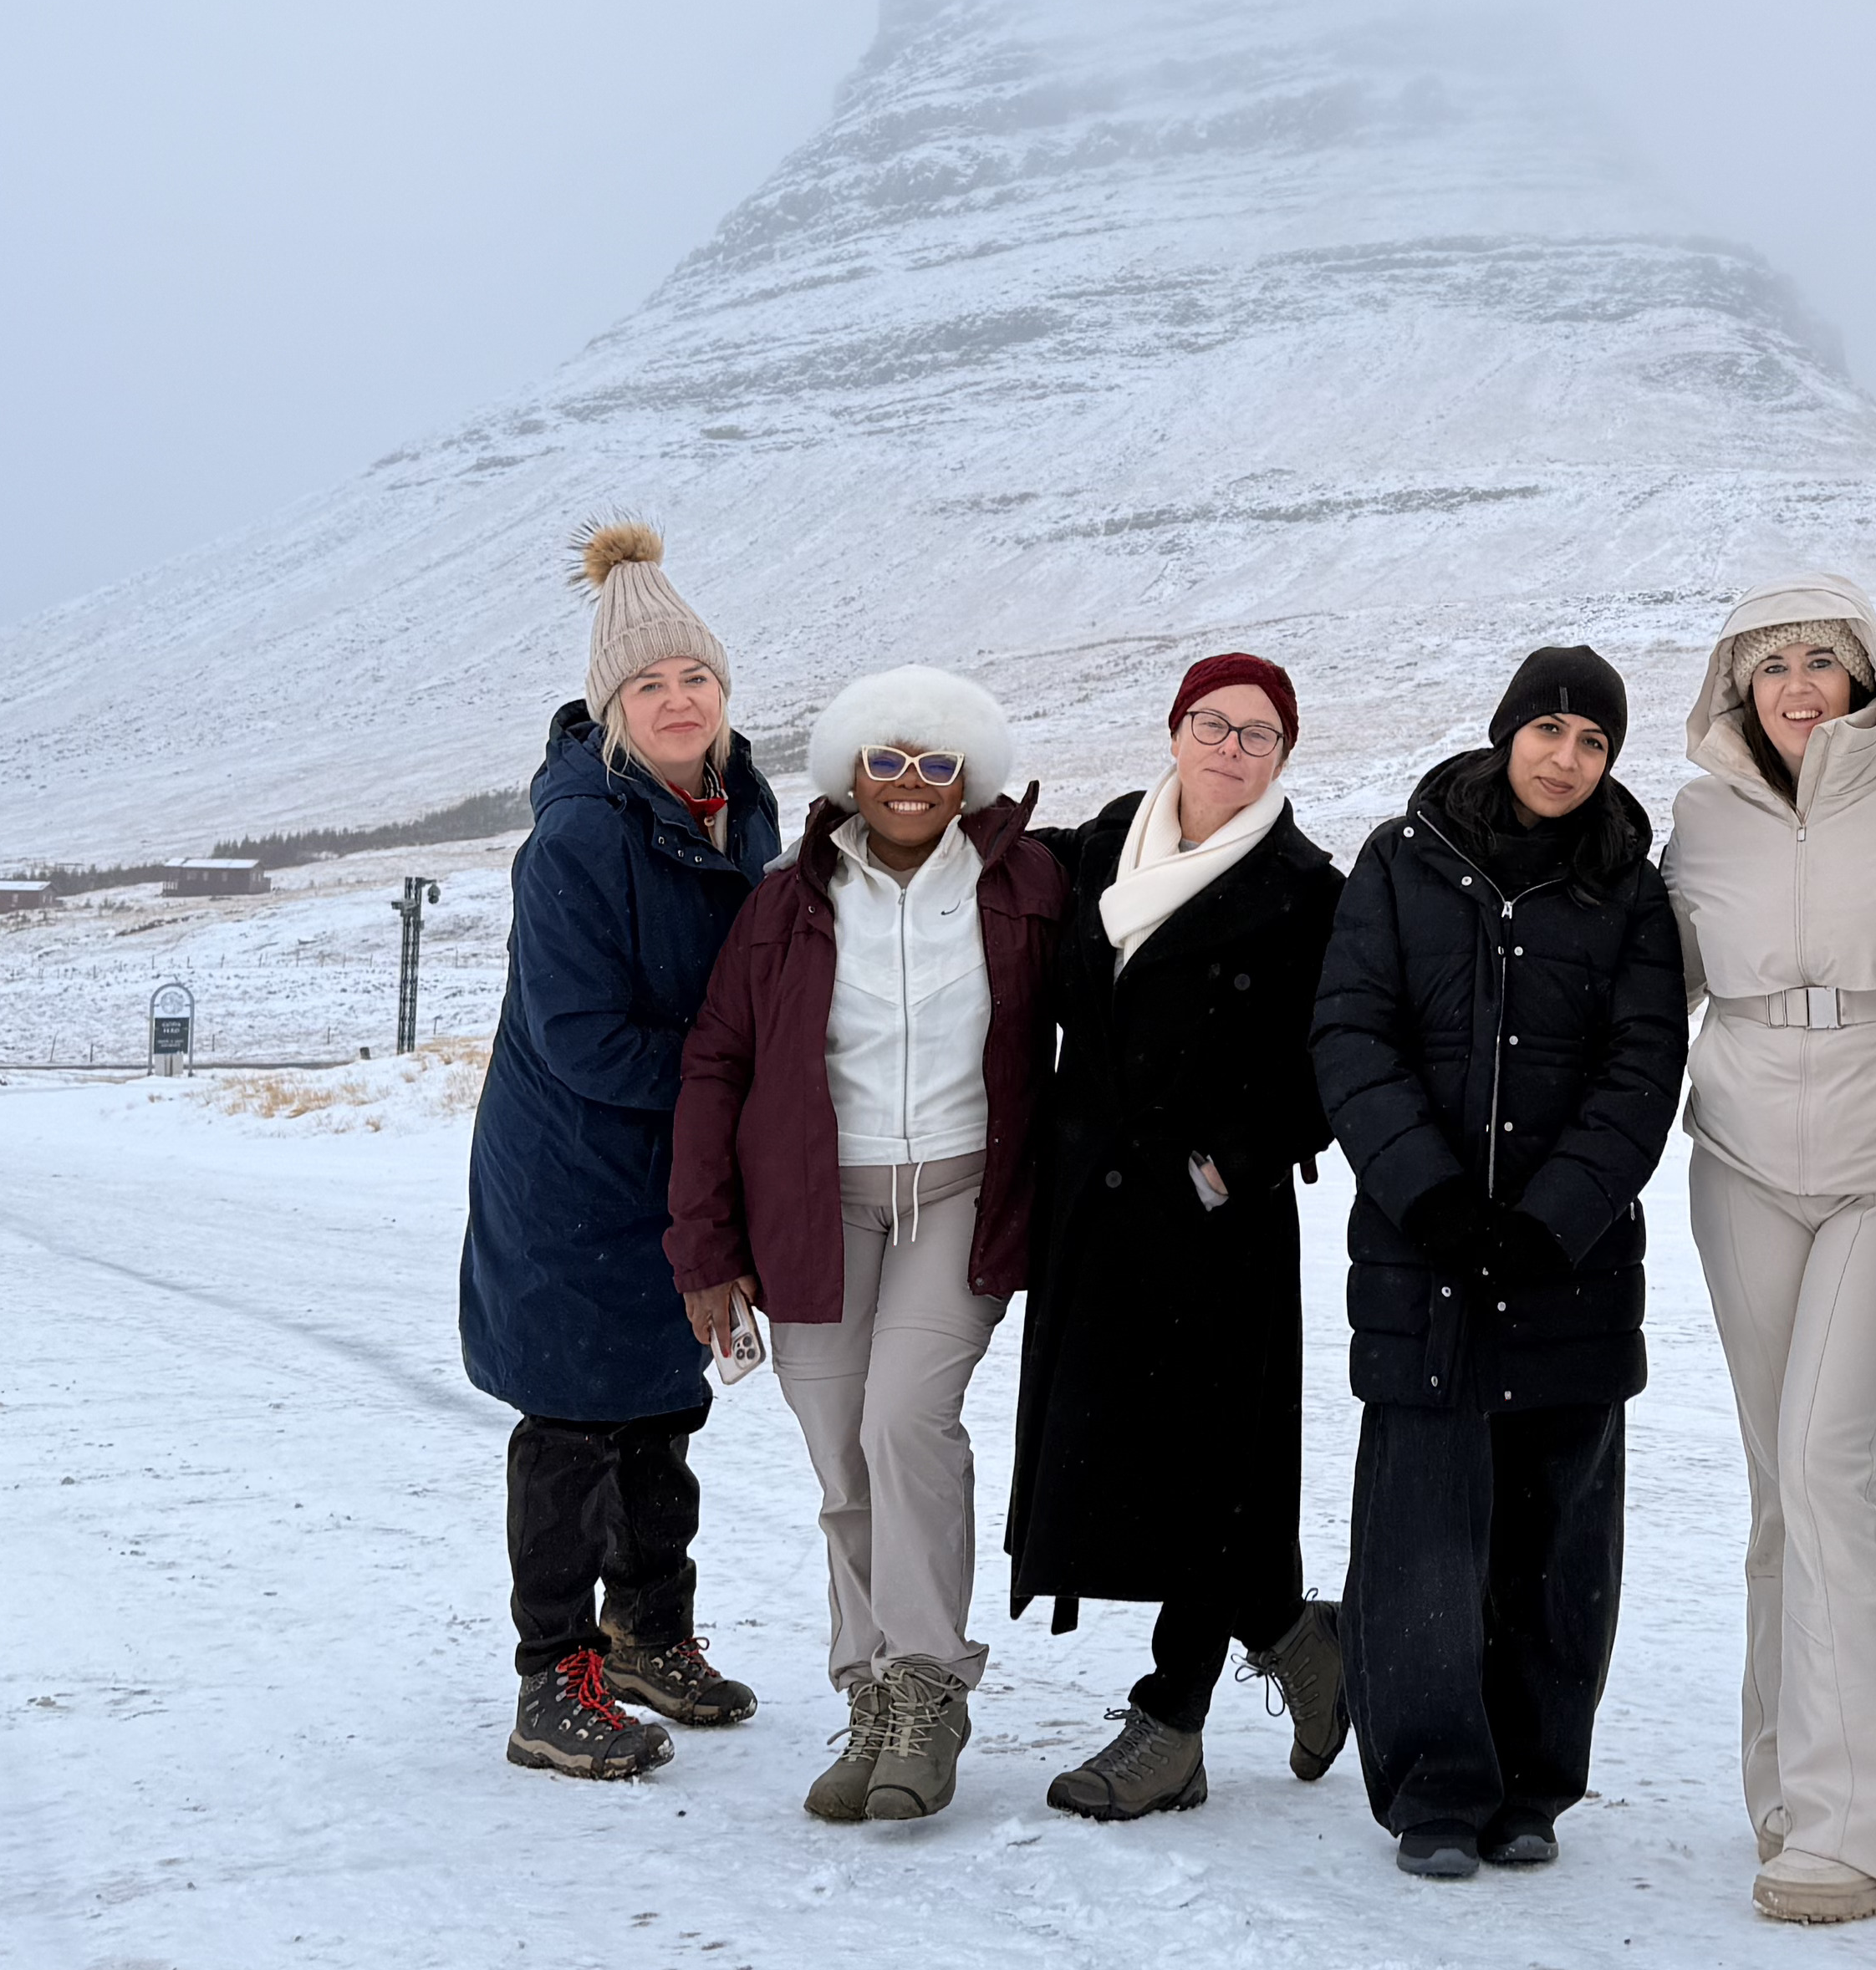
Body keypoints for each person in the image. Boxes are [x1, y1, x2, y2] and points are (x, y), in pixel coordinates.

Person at [1312, 643, 1688, 1883]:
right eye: (1551, 731)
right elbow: (1353, 1034)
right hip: (1425, 1255)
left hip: (1566, 1263)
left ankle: (1532, 1784)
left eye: (1594, 743)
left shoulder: (1628, 892)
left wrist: (1549, 1217)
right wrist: (1429, 1197)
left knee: (1556, 1540)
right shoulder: (1401, 861)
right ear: (1505, 731)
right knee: (1423, 1532)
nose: (1567, 760)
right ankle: (1432, 1787)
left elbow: (1643, 1071)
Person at [669, 667, 1062, 1829]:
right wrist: (704, 1250)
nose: (908, 785)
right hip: (815, 1209)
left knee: (905, 1420)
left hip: (960, 1195)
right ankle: (871, 1691)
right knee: (842, 1453)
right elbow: (716, 1067)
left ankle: (929, 1685)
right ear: (849, 772)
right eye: (887, 761)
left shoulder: (1026, 882)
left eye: (936, 766)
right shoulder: (786, 902)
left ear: (968, 783)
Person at [1664, 575, 1876, 1923]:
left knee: (1828, 1460)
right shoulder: (1699, 817)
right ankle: (1789, 1803)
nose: (1797, 684)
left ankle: (1869, 1833)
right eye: (1769, 664)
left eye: (1823, 659)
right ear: (1737, 687)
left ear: (1865, 675)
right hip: (1741, 1160)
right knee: (1774, 1483)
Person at [1005, 652, 1353, 1820]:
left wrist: (1229, 1168)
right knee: (1134, 1460)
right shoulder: (1100, 846)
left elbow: (1339, 1056)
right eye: (1214, 723)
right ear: (1174, 731)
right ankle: (1301, 1637)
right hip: (1092, 1214)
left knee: (1210, 1469)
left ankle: (1173, 1722)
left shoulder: (1309, 887)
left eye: (1260, 734)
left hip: (1214, 1220)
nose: (1232, 749)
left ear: (1284, 756)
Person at [458, 523, 772, 1781]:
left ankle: (650, 1634)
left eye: (695, 678)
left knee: (661, 1410)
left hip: (673, 1173)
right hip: (572, 1176)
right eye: (650, 686)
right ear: (612, 711)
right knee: (575, 1422)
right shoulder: (581, 839)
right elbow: (581, 1037)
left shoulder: (739, 807)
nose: (679, 700)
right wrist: (729, 1089)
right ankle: (555, 1679)